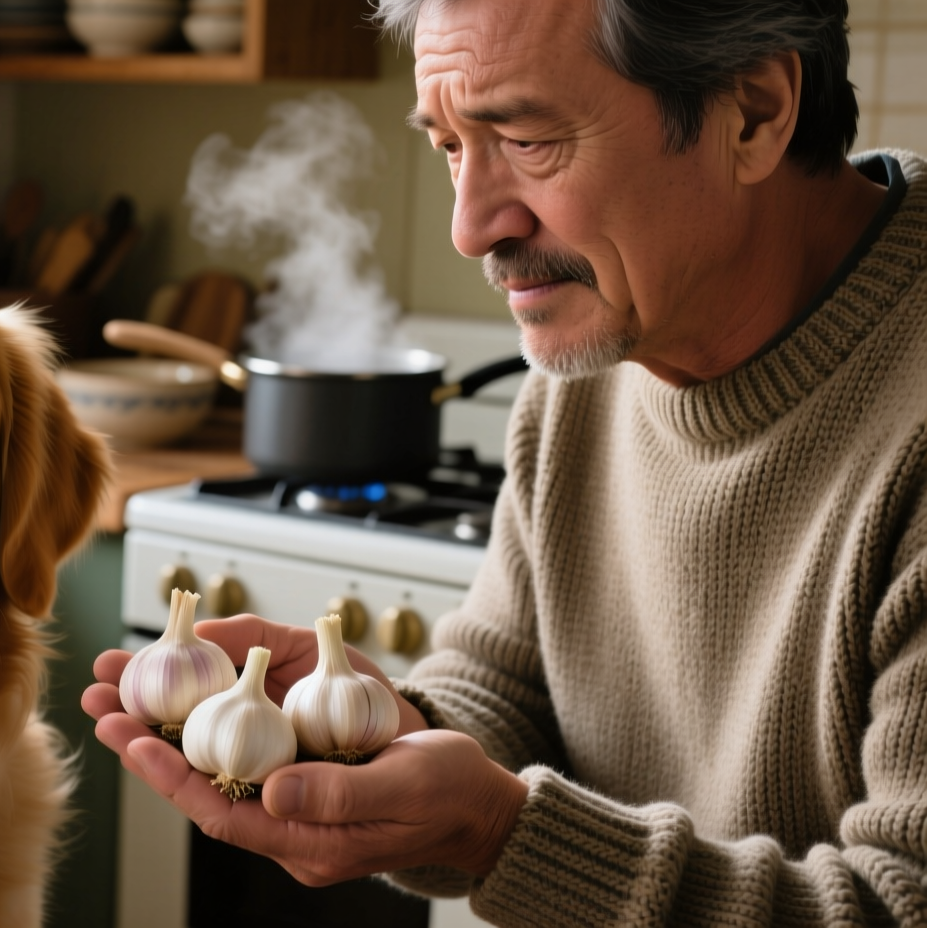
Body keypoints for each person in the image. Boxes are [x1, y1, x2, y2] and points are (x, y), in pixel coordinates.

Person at [82, 0, 927, 922]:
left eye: (525, 139)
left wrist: (495, 833)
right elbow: (504, 685)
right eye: (449, 145)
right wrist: (390, 739)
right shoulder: (597, 350)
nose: (471, 227)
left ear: (755, 112)